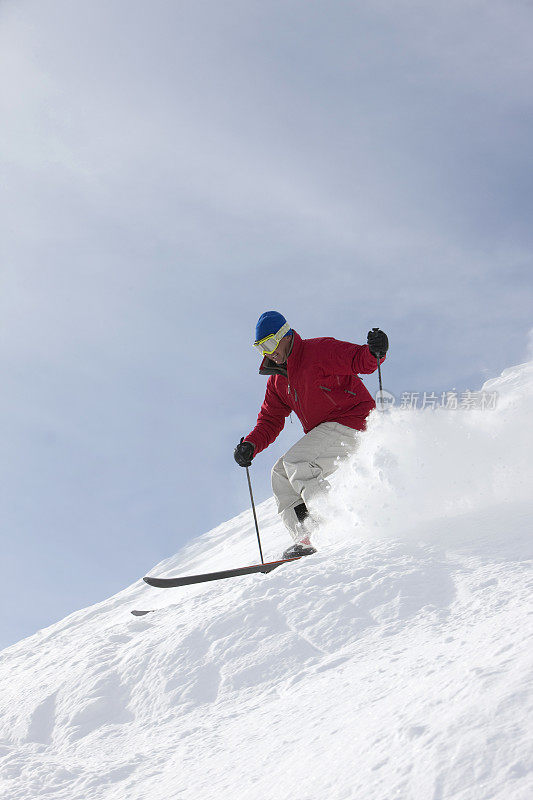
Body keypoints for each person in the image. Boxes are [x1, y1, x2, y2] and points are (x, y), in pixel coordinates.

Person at [234, 311, 389, 559]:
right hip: (327, 432)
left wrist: (374, 351)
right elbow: (270, 420)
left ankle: (328, 527)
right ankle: (305, 537)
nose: (268, 352)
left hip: (355, 421)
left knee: (298, 461)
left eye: (271, 343)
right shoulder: (277, 381)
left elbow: (360, 360)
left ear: (285, 336)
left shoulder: (318, 351)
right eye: (261, 347)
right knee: (281, 473)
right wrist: (251, 445)